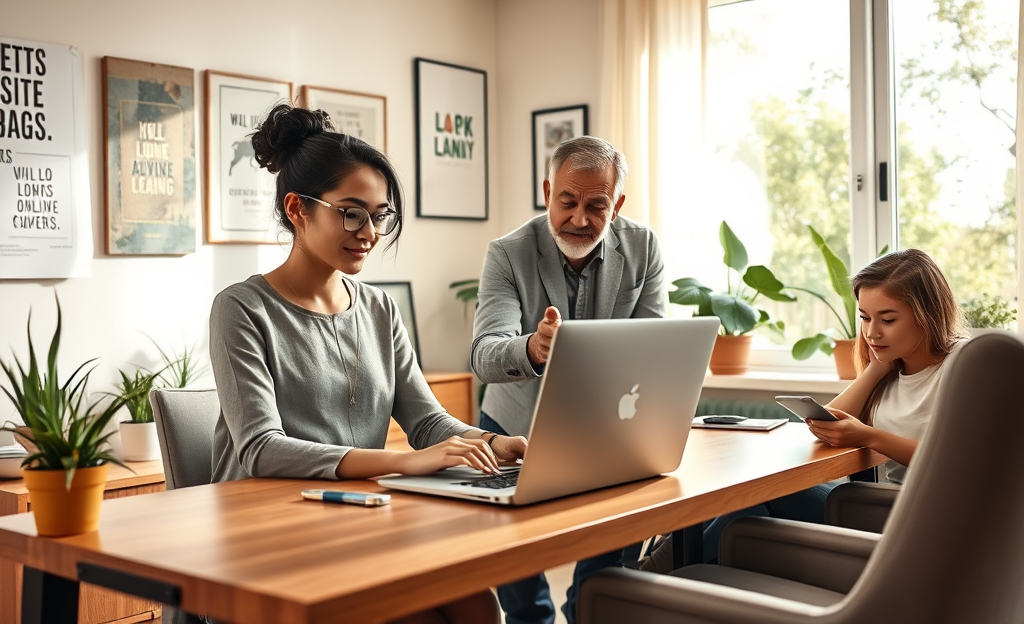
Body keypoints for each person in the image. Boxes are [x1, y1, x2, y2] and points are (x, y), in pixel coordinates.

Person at [209, 103, 526, 624]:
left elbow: (426, 422)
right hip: (265, 532)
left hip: (353, 515)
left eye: (380, 215)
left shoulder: (379, 308)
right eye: (352, 212)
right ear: (297, 209)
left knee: (477, 604)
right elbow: (261, 449)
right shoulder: (241, 309)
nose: (370, 231)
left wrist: (493, 443)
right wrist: (405, 462)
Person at [471, 135, 666, 624]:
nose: (579, 219)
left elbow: (654, 350)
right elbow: (484, 354)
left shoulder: (643, 248)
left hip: (606, 430)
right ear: (547, 192)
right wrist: (534, 348)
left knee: (601, 581)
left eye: (596, 205)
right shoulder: (508, 254)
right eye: (567, 202)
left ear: (616, 204)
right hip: (516, 426)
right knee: (520, 585)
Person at [701, 248, 970, 561]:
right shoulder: (891, 366)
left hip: (921, 520)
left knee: (752, 497)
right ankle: (666, 579)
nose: (871, 332)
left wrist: (870, 436)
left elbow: (963, 465)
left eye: (888, 319)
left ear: (928, 314)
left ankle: (655, 579)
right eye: (865, 318)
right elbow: (823, 426)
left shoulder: (964, 364)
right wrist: (875, 369)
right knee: (748, 497)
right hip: (881, 507)